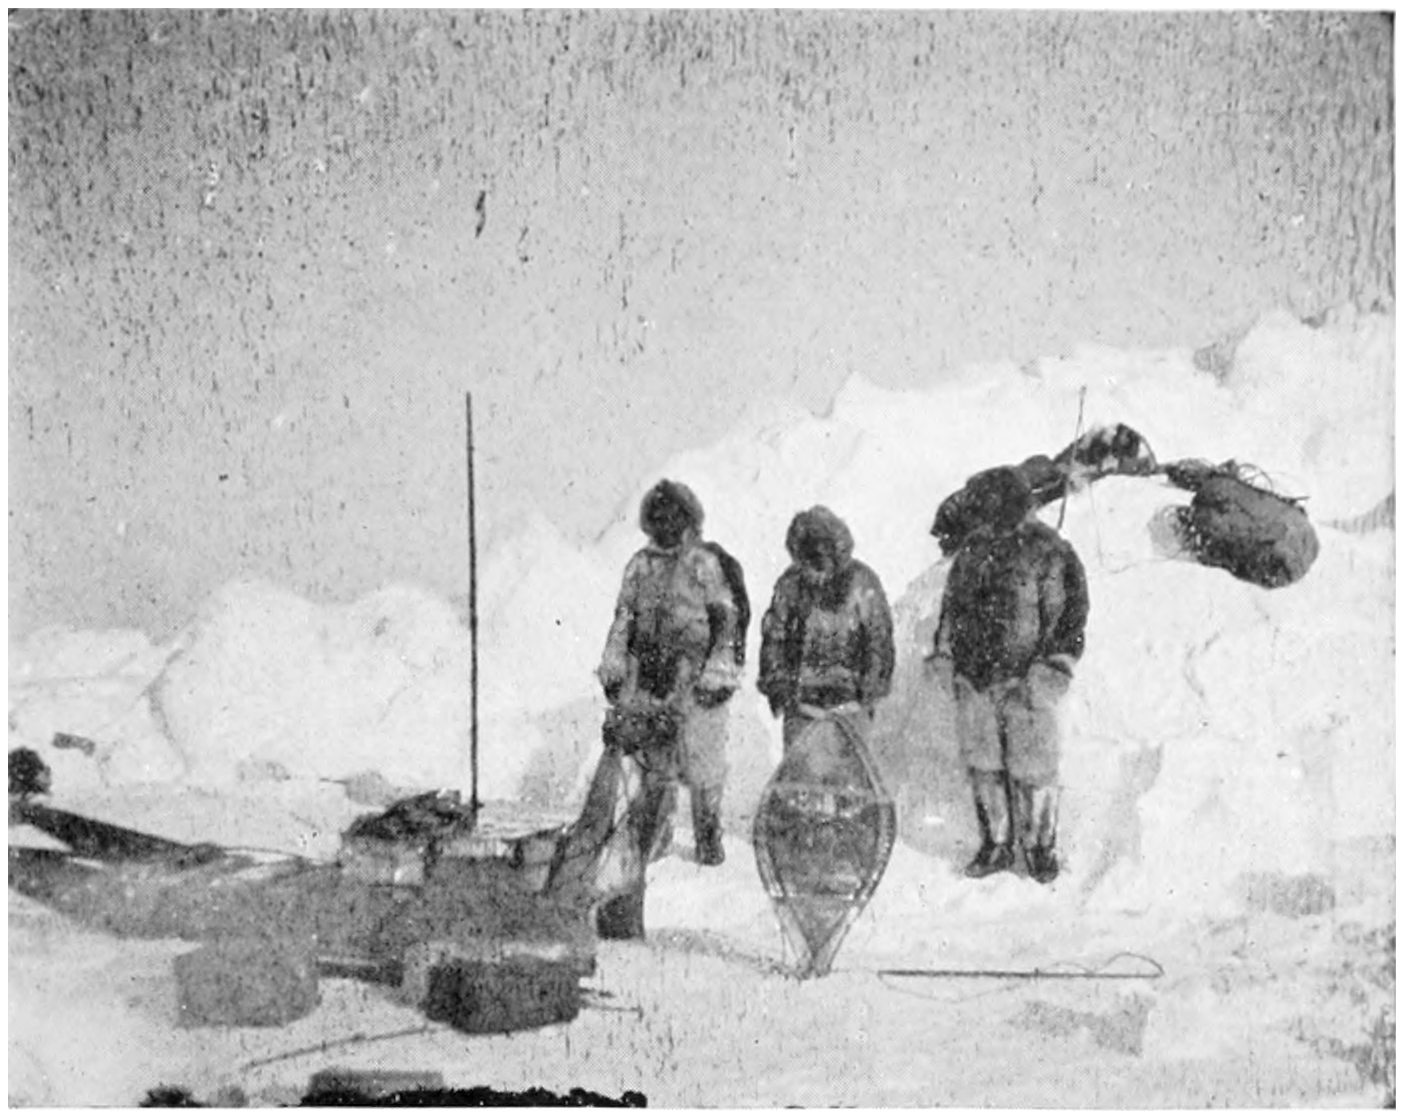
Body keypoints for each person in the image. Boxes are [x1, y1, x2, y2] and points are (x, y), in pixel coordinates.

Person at [930, 466, 1089, 884]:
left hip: (1026, 681)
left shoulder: (1048, 550)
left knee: (1034, 767)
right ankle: (996, 844)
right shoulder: (973, 550)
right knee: (983, 764)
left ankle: (1040, 847)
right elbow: (952, 609)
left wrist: (1051, 668)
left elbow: (1066, 617)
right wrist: (946, 655)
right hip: (976, 678)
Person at [596, 479, 744, 877]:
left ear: (688, 518)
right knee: (652, 760)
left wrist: (718, 671)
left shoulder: (703, 564)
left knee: (701, 759)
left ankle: (708, 836)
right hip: (648, 673)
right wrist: (614, 661)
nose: (666, 523)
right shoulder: (639, 565)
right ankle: (655, 835)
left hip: (694, 676)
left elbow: (725, 619)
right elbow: (624, 617)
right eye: (658, 516)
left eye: (673, 515)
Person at [757, 506, 895, 747]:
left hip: (851, 708)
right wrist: (779, 688)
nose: (813, 573)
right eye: (806, 562)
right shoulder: (790, 585)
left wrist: (869, 692)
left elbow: (879, 640)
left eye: (819, 562)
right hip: (802, 708)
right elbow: (774, 638)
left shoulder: (863, 584)